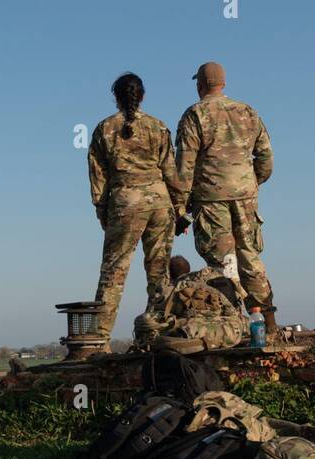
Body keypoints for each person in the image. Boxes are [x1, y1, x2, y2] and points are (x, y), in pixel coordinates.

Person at [175, 61, 278, 335]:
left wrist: (180, 207)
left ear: (200, 85)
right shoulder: (248, 112)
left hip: (210, 199)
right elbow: (266, 158)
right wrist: (252, 182)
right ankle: (266, 322)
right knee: (250, 256)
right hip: (246, 197)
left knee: (222, 262)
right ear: (223, 83)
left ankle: (234, 325)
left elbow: (184, 167)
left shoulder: (194, 115)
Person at [88, 72, 187, 346]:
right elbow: (171, 172)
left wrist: (103, 212)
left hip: (125, 202)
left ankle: (99, 339)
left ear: (116, 98)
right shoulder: (158, 127)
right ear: (141, 97)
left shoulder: (104, 130)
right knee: (159, 275)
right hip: (159, 201)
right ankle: (156, 336)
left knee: (113, 273)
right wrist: (180, 209)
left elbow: (98, 179)